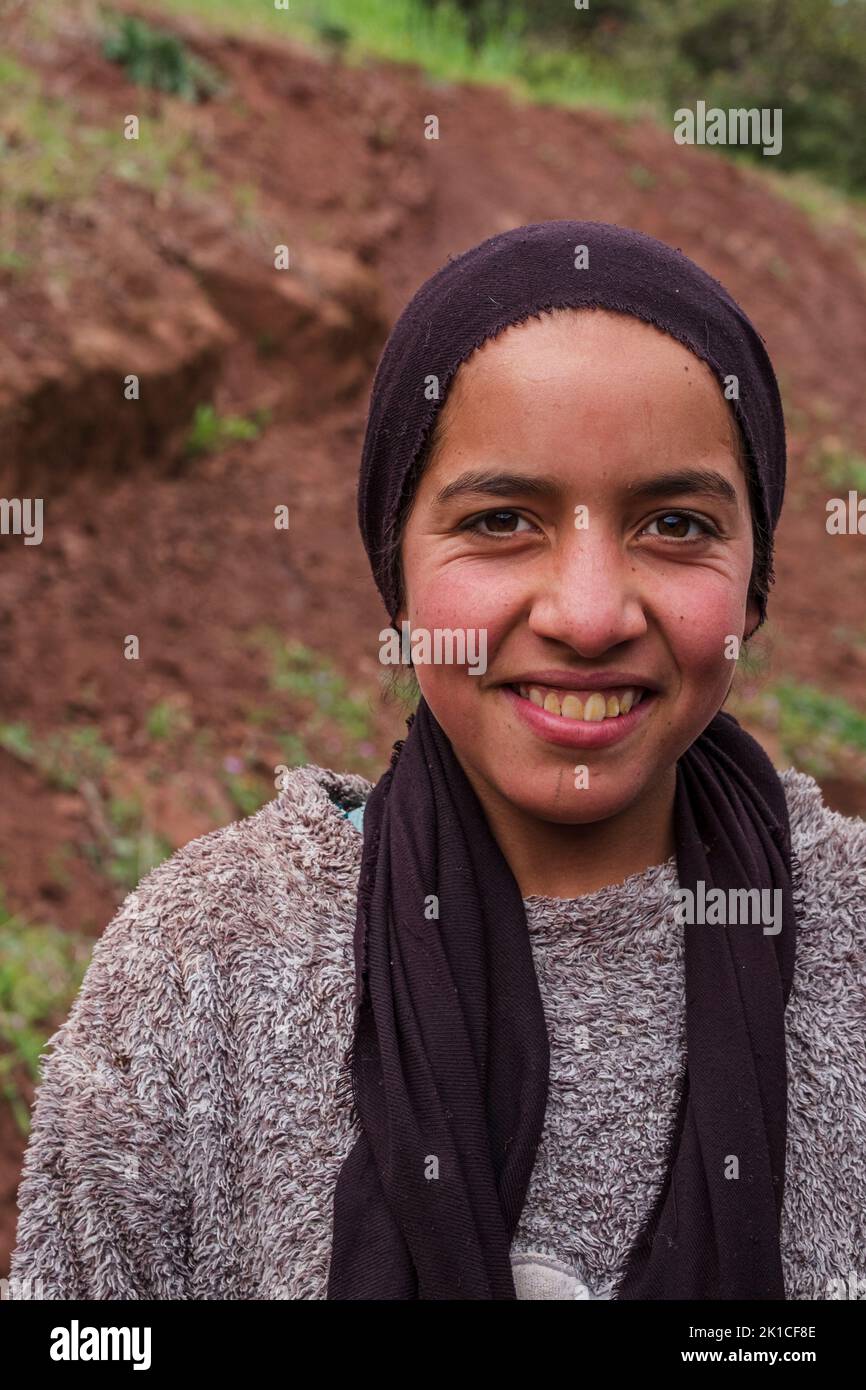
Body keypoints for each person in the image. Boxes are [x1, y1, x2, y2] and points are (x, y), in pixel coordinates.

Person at [8, 221, 865, 1302]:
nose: (589, 615)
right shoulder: (203, 966)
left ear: (753, 580)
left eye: (675, 523)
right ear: (395, 569)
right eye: (502, 519)